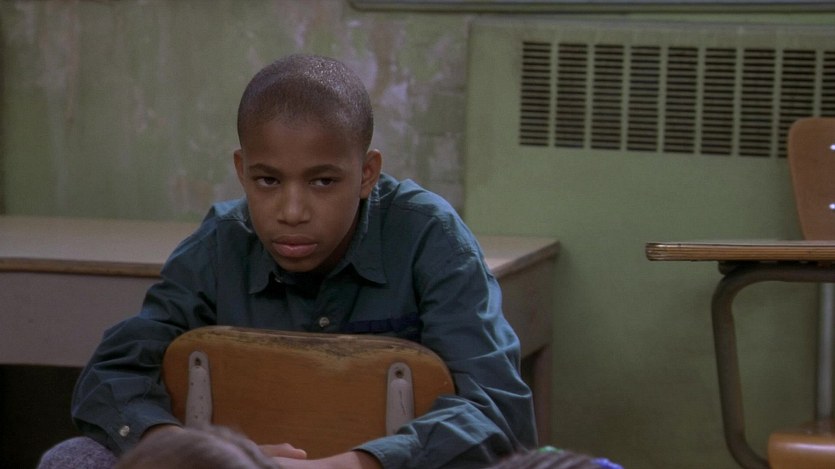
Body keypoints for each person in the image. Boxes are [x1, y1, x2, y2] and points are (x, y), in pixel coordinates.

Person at [38, 53, 536, 469]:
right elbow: (110, 376)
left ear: (367, 173)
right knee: (72, 459)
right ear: (241, 170)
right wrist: (190, 451)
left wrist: (348, 465)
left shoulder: (430, 236)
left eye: (323, 181)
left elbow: (498, 410)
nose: (292, 212)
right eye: (268, 181)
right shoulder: (221, 243)